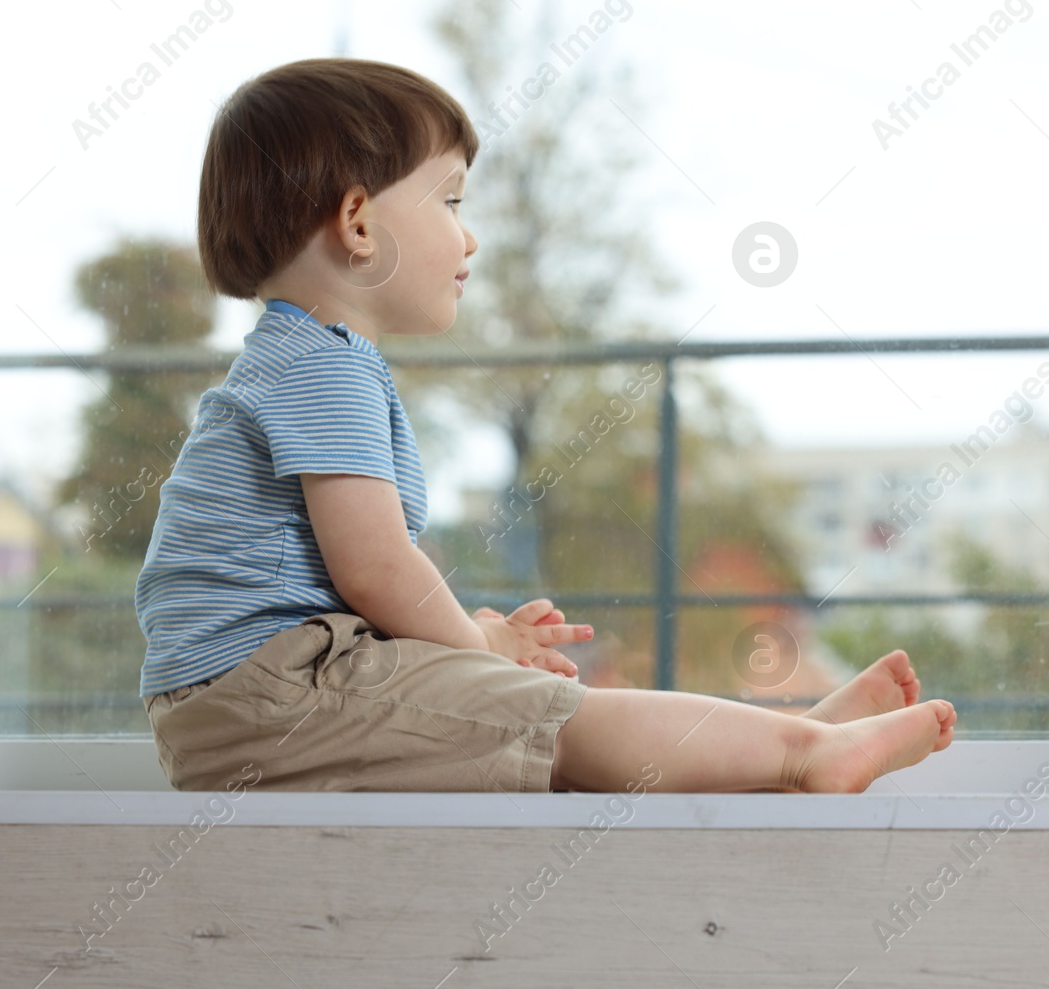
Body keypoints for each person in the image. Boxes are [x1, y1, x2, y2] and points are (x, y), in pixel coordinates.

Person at [136, 57, 956, 795]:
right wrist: (471, 647)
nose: (470, 235)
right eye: (450, 200)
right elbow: (377, 568)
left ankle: (797, 743)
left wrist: (475, 640)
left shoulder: (297, 356)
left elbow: (337, 578)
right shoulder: (324, 362)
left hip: (256, 696)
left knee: (540, 721)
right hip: (273, 694)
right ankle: (800, 753)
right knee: (561, 722)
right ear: (357, 224)